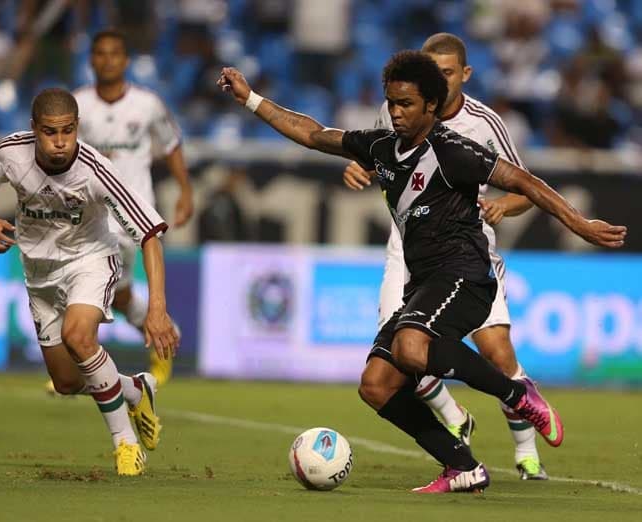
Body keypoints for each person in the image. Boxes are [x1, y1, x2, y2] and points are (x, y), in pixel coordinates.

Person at [217, 52, 626, 492]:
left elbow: (525, 182)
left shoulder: (453, 151)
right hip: (424, 283)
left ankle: (518, 394)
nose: (395, 112)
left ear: (431, 105)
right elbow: (315, 134)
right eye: (391, 102)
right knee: (376, 384)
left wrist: (580, 224)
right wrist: (251, 100)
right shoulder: (380, 147)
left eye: (406, 104)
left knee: (413, 348)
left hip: (467, 275)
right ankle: (462, 467)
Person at [343, 33, 546, 480]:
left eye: (448, 73)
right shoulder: (397, 108)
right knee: (399, 351)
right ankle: (455, 421)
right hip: (407, 246)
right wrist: (358, 163)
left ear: (463, 75)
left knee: (495, 349)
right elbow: (378, 153)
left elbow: (525, 187)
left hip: (465, 245)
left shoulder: (485, 123)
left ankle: (526, 449)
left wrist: (502, 206)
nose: (438, 80)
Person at [0, 88, 179, 476]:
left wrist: (157, 307)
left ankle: (126, 446)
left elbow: (150, 232)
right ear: (34, 129)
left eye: (68, 131)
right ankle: (136, 389)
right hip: (39, 274)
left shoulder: (95, 170)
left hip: (90, 262)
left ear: (77, 127)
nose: (60, 141)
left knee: (79, 337)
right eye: (50, 132)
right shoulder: (9, 153)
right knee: (67, 381)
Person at [72, 29, 194, 386]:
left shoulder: (147, 104)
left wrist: (185, 191)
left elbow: (171, 144)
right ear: (91, 59)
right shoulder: (77, 105)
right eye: (100, 53)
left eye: (114, 53)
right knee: (118, 295)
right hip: (91, 211)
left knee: (98, 287)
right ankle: (164, 332)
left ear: (125, 61)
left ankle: (80, 367)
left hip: (133, 213)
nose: (107, 60)